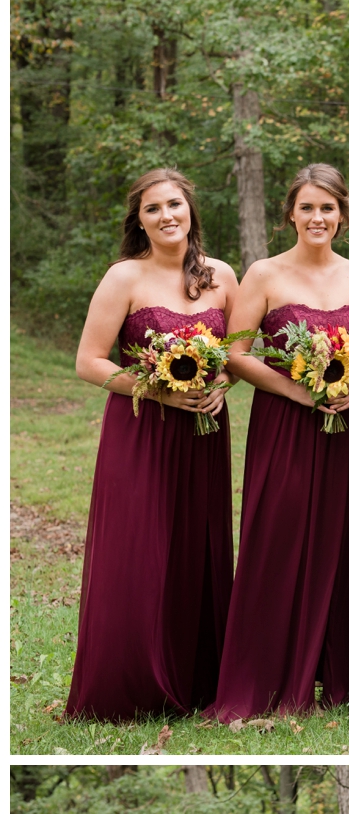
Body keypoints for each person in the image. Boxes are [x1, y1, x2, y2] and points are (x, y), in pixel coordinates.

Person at [67, 170, 238, 722]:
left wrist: (221, 384)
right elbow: (89, 362)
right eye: (153, 209)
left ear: (191, 209)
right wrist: (158, 393)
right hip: (141, 427)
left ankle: (194, 682)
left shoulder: (222, 277)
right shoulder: (124, 277)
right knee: (138, 548)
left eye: (175, 204)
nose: (167, 216)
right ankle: (130, 683)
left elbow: (238, 352)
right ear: (138, 220)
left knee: (197, 544)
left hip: (204, 433)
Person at [214, 164, 349, 721]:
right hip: (283, 421)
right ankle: (263, 676)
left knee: (337, 538)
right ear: (290, 213)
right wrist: (299, 394)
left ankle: (338, 674)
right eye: (307, 207)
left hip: (340, 426)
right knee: (276, 537)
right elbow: (235, 353)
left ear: (342, 214)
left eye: (327, 207)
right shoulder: (263, 273)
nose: (317, 218)